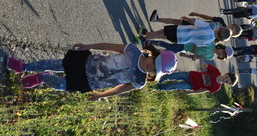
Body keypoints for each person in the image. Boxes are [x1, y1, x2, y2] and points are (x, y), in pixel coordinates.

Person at [7, 43, 177, 101]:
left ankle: (41, 77)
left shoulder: (140, 81)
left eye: (155, 71)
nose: (151, 69)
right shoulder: (132, 50)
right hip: (86, 63)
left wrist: (100, 95)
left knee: (59, 84)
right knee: (54, 63)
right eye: (154, 64)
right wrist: (88, 46)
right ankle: (22, 67)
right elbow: (109, 47)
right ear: (153, 55)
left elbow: (119, 90)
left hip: (89, 83)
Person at [157, 61, 238, 94]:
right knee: (174, 76)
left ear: (227, 84)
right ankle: (160, 79)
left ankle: (159, 87)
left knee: (175, 86)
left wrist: (191, 92)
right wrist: (202, 67)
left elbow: (203, 90)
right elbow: (205, 65)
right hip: (190, 75)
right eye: (227, 77)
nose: (225, 80)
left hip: (192, 86)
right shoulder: (216, 71)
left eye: (227, 82)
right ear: (226, 74)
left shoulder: (216, 87)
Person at [149, 10, 242, 37]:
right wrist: (197, 14)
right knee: (175, 21)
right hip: (195, 24)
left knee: (168, 34)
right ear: (231, 24)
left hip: (193, 33)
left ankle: (152, 35)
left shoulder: (221, 37)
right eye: (232, 27)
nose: (230, 29)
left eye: (232, 32)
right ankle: (157, 19)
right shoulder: (221, 21)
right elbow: (208, 18)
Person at [146, 40, 234, 61]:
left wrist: (186, 56)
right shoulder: (211, 44)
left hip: (184, 49)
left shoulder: (211, 57)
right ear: (221, 48)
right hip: (185, 43)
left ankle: (149, 53)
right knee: (168, 47)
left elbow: (196, 57)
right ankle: (149, 42)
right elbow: (196, 44)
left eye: (223, 56)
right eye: (223, 53)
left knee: (168, 52)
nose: (221, 55)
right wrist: (195, 54)